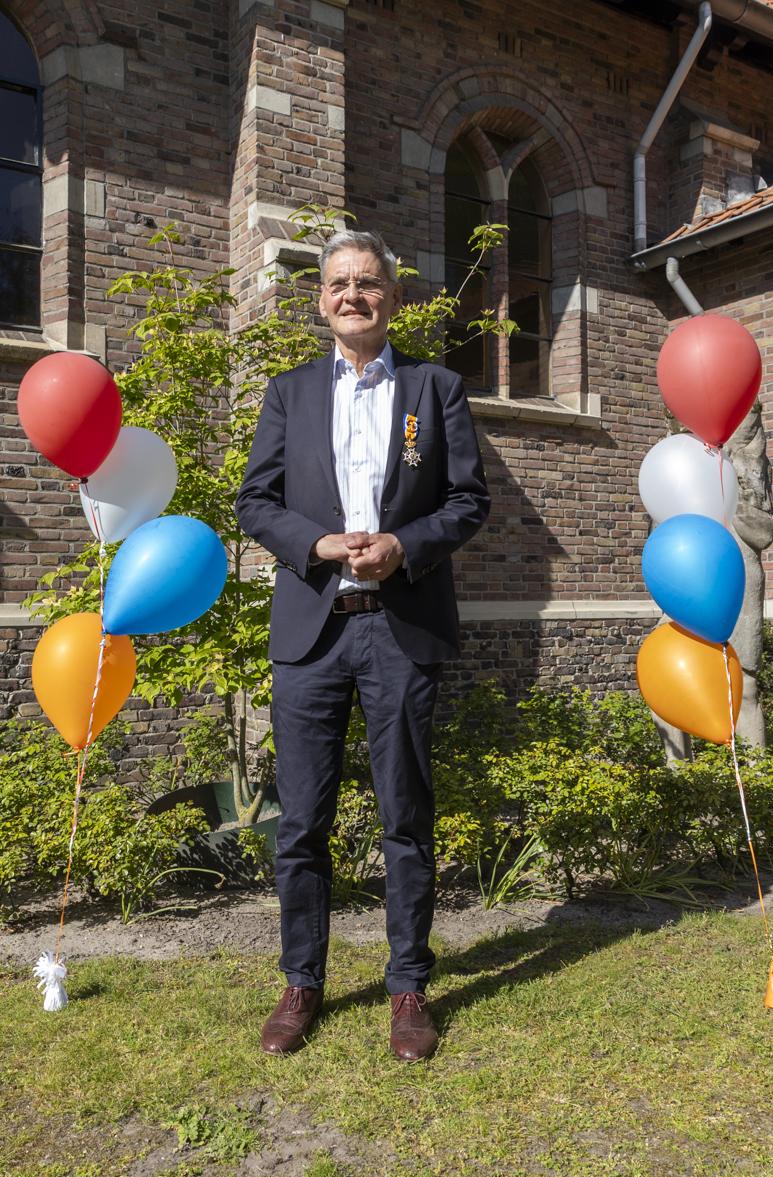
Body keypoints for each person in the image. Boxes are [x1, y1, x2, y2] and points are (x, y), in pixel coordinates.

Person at [235, 229, 490, 1061]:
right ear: (320, 301)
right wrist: (317, 545)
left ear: (393, 297)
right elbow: (256, 501)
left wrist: (403, 547)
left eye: (369, 283)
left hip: (399, 629)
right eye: (339, 283)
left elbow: (465, 501)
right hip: (311, 632)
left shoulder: (436, 388)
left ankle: (408, 985)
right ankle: (301, 980)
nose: (353, 294)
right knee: (302, 820)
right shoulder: (290, 393)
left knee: (405, 817)